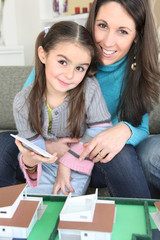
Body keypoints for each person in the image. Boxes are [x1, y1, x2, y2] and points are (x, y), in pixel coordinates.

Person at [0, 0, 159, 198]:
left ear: (137, 36)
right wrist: (47, 147)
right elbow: (28, 112)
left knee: (121, 153)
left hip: (89, 156)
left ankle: (143, 225)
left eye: (123, 31)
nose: (108, 41)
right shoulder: (65, 49)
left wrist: (124, 129)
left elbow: (140, 128)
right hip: (48, 152)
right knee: (3, 142)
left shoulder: (136, 73)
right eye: (102, 26)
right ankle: (8, 216)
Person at [13, 21, 112, 196]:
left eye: (80, 68)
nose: (70, 75)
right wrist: (29, 161)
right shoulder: (22, 102)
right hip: (43, 166)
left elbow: (101, 130)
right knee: (38, 208)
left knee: (66, 208)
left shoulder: (89, 89)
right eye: (62, 62)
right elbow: (33, 149)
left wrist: (66, 164)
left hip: (78, 161)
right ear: (43, 55)